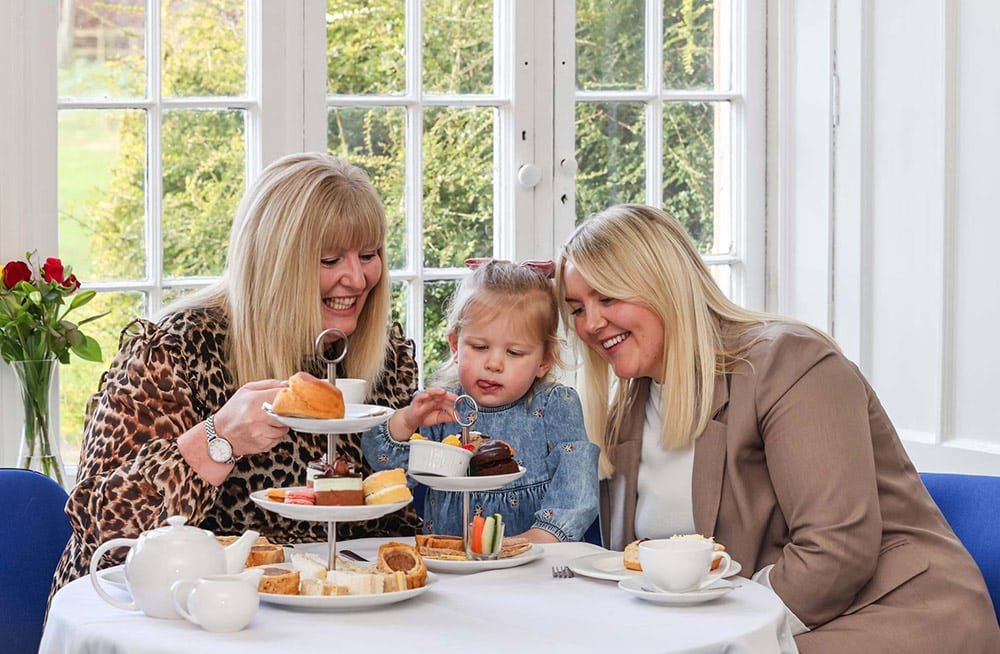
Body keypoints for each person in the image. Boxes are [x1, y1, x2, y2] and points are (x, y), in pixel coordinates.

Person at [556, 203, 1000, 652]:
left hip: (895, 615)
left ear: (664, 283)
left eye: (608, 298)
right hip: (753, 623)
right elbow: (637, 565)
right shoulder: (631, 402)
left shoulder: (790, 363)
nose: (591, 324)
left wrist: (722, 634)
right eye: (576, 309)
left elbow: (837, 550)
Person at [51, 152, 423, 595]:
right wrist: (218, 439)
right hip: (177, 608)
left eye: (368, 255)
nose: (358, 279)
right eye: (329, 261)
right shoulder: (176, 350)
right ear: (274, 265)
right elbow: (105, 530)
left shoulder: (383, 354)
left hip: (337, 608)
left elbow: (397, 517)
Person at [363, 259, 599, 543]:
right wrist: (407, 420)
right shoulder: (443, 406)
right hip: (452, 563)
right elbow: (391, 471)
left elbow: (577, 489)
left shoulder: (554, 405)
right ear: (455, 345)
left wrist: (536, 540)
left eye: (514, 352)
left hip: (534, 565)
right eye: (480, 347)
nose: (494, 363)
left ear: (544, 361)